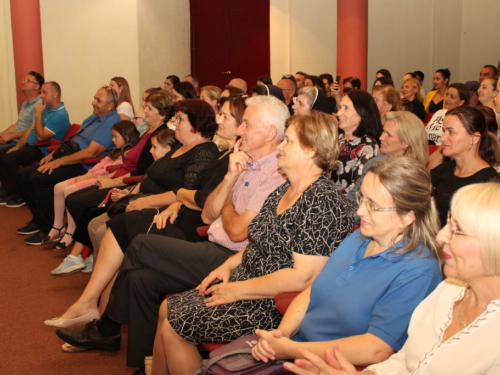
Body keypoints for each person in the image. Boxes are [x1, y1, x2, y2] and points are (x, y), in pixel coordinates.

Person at [52, 96, 287, 372]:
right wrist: (229, 179)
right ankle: (142, 363)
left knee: (139, 244)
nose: (239, 130)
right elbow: (209, 214)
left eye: (246, 124)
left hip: (232, 260)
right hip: (212, 243)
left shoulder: (275, 172)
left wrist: (227, 199)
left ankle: (103, 324)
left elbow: (236, 232)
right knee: (142, 279)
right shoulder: (243, 161)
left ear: (270, 133)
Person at [150, 111, 356, 375]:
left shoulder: (322, 202)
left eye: (289, 141)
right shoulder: (286, 187)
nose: (280, 147)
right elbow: (261, 240)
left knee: (174, 325)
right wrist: (229, 264)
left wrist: (238, 290)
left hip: (272, 302)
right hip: (247, 281)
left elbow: (304, 278)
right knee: (167, 308)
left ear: (310, 150)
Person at [286, 182, 500, 375]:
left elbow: (378, 348)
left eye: (459, 230)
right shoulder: (448, 291)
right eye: (448, 223)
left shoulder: (423, 270)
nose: (441, 236)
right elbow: (403, 362)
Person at [253, 156, 442, 368]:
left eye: (374, 206)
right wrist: (282, 334)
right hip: (297, 351)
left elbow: (376, 348)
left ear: (407, 216)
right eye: (363, 198)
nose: (360, 211)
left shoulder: (418, 269)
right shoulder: (359, 237)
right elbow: (312, 291)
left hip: (332, 367)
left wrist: (289, 349)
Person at [15, 86, 122, 245]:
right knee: (22, 175)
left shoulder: (112, 121)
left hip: (84, 166)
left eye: (98, 100)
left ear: (110, 105)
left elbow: (91, 153)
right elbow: (72, 142)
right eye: (94, 98)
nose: (93, 102)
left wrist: (59, 161)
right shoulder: (93, 117)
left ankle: (49, 226)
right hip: (70, 157)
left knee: (38, 178)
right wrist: (52, 156)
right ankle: (38, 219)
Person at [48, 120, 139, 255]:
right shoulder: (116, 150)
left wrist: (89, 176)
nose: (112, 140)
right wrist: (88, 174)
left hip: (100, 180)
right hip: (93, 176)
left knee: (69, 192)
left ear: (126, 138)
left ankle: (71, 231)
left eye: (115, 137)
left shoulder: (128, 152)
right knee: (58, 187)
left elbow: (107, 171)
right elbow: (102, 164)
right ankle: (58, 225)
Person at [0, 81, 70, 207]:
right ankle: (9, 191)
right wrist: (17, 146)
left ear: (55, 94)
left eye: (44, 92)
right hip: (31, 146)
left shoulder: (60, 115)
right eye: (41, 92)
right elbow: (30, 130)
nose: (41, 96)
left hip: (42, 150)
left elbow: (41, 136)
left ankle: (18, 196)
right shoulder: (47, 109)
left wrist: (38, 115)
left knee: (8, 159)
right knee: (2, 153)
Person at [431, 106, 499, 226]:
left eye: (450, 132)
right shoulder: (447, 167)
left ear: (474, 138)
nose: (443, 138)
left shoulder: (488, 181)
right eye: (444, 131)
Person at [347, 111, 429, 210]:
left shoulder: (411, 176)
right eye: (383, 131)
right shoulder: (375, 162)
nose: (381, 137)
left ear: (405, 142)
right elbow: (354, 195)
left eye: (389, 135)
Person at [333, 89, 382, 194]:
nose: (339, 113)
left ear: (362, 113)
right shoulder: (335, 138)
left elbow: (357, 188)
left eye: (346, 108)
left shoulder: (368, 147)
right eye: (340, 107)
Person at [0, 71, 43, 151]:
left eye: (27, 81)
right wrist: (1, 134)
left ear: (36, 86)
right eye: (23, 80)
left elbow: (33, 130)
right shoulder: (26, 103)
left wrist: (11, 136)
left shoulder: (39, 104)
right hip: (14, 140)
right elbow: (17, 124)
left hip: (24, 143)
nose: (23, 82)